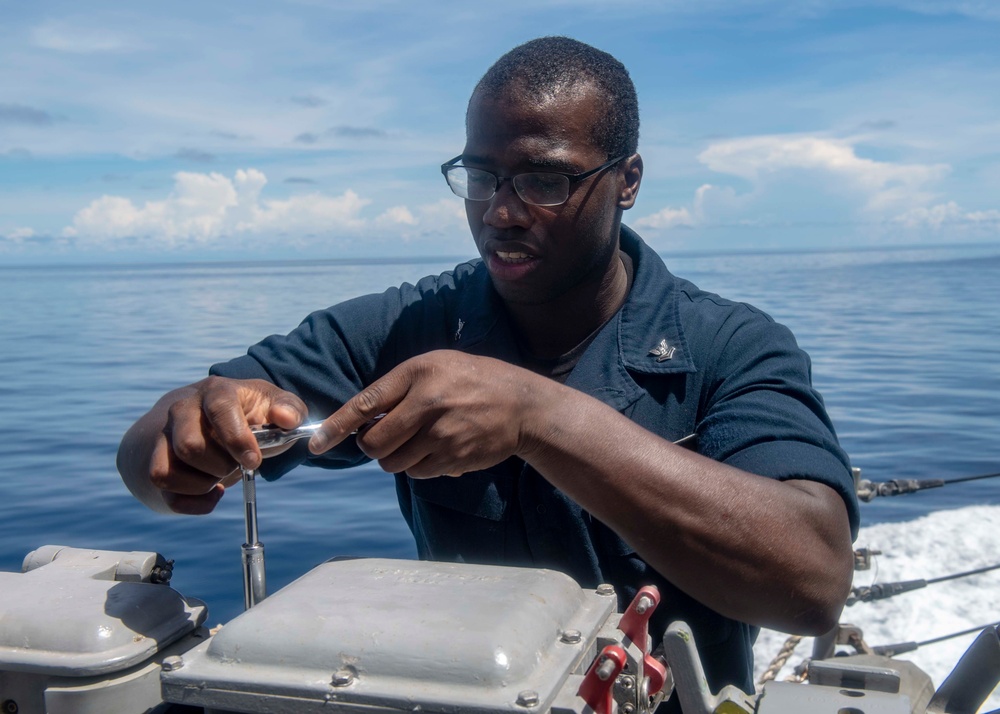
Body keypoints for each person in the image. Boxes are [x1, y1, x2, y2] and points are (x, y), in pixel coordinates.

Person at [118, 36, 859, 703]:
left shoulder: (730, 345)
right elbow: (150, 459)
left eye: (544, 181)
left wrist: (540, 418)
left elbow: (814, 582)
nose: (501, 212)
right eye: (481, 175)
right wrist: (187, 433)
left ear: (627, 181)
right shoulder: (409, 327)